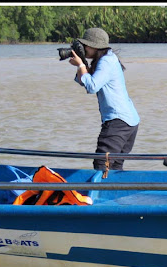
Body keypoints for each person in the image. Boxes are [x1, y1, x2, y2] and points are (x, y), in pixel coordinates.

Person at [68, 28, 140, 171]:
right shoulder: (106, 58)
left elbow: (92, 86)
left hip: (118, 121)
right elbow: (84, 80)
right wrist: (82, 63)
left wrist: (81, 65)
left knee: (102, 163)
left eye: (85, 46)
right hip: (129, 121)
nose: (83, 48)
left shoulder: (106, 61)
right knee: (114, 166)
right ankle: (115, 191)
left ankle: (100, 191)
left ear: (94, 46)